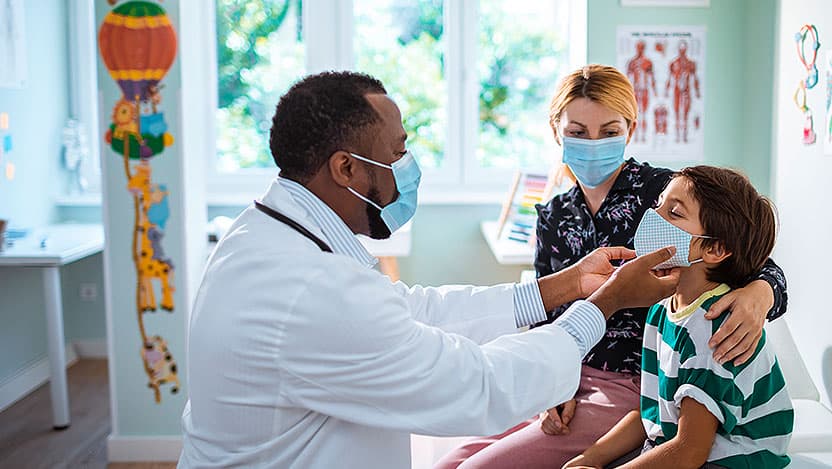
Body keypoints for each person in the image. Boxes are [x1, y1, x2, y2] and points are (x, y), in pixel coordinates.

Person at [177, 71, 681, 469]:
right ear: (346, 168)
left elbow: (416, 309)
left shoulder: (266, 238)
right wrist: (605, 302)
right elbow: (481, 386)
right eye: (398, 152)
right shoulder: (309, 289)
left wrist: (566, 285)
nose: (408, 166)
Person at [435, 65, 787, 469]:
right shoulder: (554, 215)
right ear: (556, 131)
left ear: (630, 129)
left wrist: (760, 293)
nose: (593, 144)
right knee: (451, 462)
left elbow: (750, 257)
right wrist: (550, 382)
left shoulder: (664, 194)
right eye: (578, 131)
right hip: (566, 374)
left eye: (608, 131)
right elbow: (545, 313)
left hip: (636, 385)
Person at [563, 166, 793, 469]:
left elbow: (690, 451)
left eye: (673, 212)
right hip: (685, 448)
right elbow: (654, 415)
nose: (652, 216)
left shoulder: (713, 327)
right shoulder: (662, 310)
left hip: (733, 461)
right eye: (658, 203)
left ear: (715, 248)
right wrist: (588, 459)